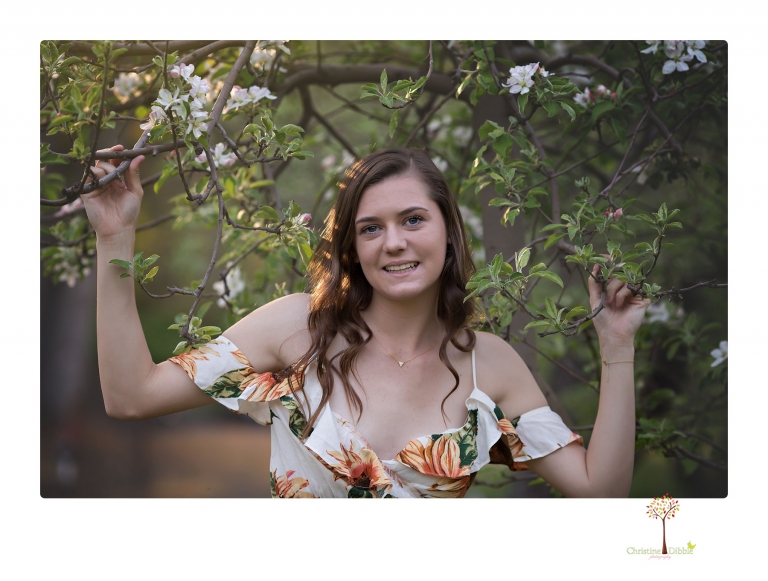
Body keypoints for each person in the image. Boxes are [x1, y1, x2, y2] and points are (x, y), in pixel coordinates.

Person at [83, 146, 649, 498]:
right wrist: (115, 239)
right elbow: (131, 396)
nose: (394, 242)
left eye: (413, 219)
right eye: (371, 227)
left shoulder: (489, 363)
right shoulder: (295, 329)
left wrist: (617, 349)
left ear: (447, 233)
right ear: (351, 246)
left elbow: (600, 492)